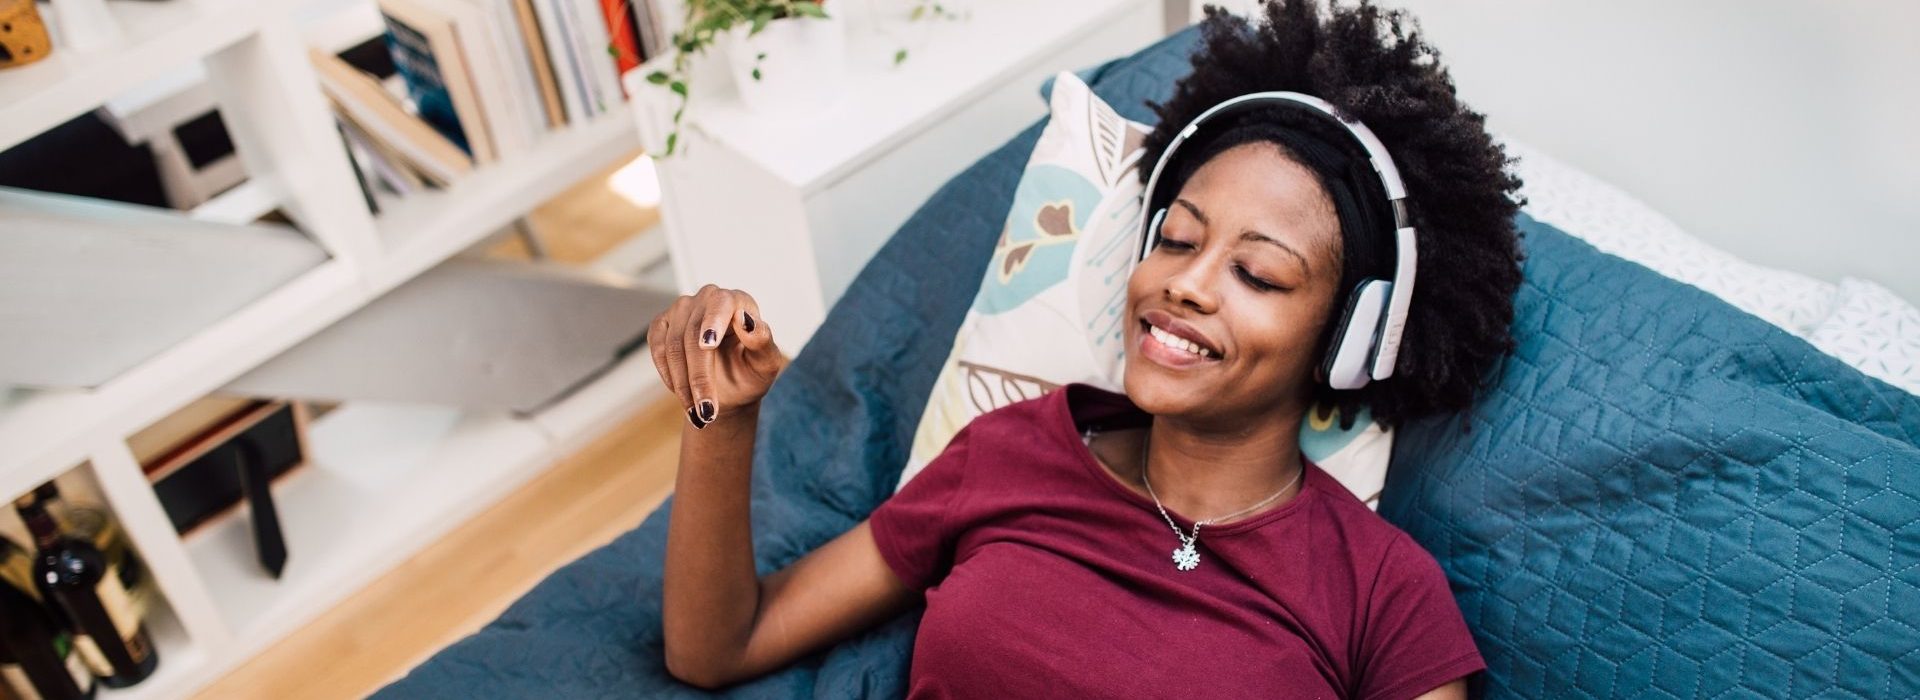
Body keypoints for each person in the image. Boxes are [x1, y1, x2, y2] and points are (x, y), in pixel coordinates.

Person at [650, 1, 1524, 697]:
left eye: (1257, 274)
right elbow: (719, 647)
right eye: (1177, 239)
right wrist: (723, 422)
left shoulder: (1383, 594)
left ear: (1347, 338)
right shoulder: (1010, 452)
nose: (1185, 282)